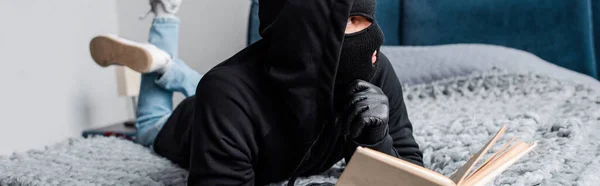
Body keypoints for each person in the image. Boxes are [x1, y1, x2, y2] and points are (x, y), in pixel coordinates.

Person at [89, 0, 423, 185]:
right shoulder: (225, 97)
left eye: (368, 17)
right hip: (184, 124)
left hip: (232, 95)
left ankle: (172, 69)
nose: (373, 37)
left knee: (212, 86)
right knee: (151, 122)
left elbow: (414, 171)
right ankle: (163, 26)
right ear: (305, 31)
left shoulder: (375, 70)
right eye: (350, 19)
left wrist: (375, 141)